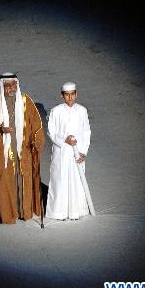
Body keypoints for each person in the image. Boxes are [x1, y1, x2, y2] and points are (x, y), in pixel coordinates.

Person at [0, 72, 45, 224]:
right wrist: (0, 130)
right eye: (7, 85)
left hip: (23, 151)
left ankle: (24, 211)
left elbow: (37, 124)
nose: (11, 88)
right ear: (2, 86)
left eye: (14, 84)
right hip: (4, 151)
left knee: (24, 179)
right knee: (3, 179)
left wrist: (36, 141)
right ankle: (6, 213)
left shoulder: (26, 101)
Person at [46, 82, 92, 220]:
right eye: (67, 95)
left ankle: (76, 211)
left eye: (72, 94)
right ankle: (59, 213)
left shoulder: (82, 110)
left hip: (77, 153)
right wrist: (64, 140)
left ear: (76, 94)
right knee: (60, 180)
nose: (70, 98)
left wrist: (83, 151)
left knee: (77, 180)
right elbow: (51, 132)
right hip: (61, 153)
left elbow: (86, 131)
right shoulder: (56, 111)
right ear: (62, 96)